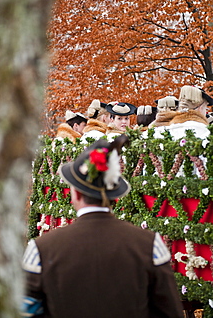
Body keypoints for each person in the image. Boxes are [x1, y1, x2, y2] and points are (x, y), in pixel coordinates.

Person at [21, 135, 184, 318]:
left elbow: (26, 312)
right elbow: (170, 312)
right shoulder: (150, 245)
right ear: (115, 196)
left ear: (75, 193)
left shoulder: (41, 249)